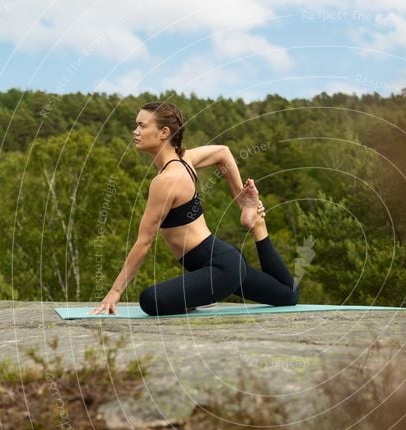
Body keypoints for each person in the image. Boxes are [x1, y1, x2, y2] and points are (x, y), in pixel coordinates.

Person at [92, 102, 299, 316]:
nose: (136, 132)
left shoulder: (166, 180)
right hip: (218, 263)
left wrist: (115, 291)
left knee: (150, 300)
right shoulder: (185, 160)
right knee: (288, 295)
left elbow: (144, 241)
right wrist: (241, 199)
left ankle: (255, 226)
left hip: (221, 268)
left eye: (142, 126)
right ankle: (257, 226)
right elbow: (223, 153)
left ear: (164, 132)